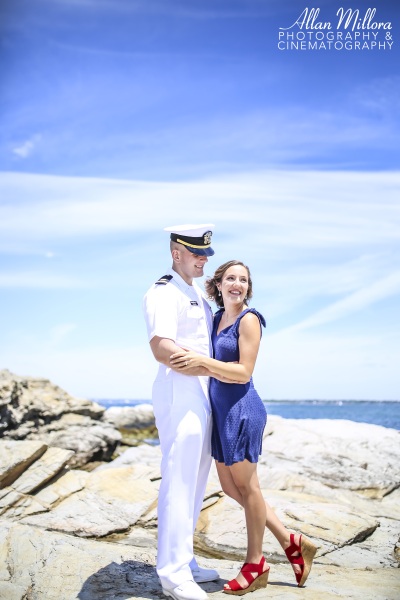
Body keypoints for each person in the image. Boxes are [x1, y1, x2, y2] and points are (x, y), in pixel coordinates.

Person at [170, 260, 317, 595]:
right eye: (231, 279)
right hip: (220, 413)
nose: (237, 284)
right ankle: (290, 540)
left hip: (243, 411)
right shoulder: (218, 317)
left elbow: (244, 372)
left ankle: (255, 564)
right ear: (218, 284)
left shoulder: (250, 319)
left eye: (243, 280)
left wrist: (203, 364)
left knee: (249, 489)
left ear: (248, 288)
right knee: (231, 488)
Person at [143, 224, 222, 600]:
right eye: (197, 253)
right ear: (177, 254)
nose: (205, 258)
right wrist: (211, 367)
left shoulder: (195, 294)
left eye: (207, 252)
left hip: (201, 390)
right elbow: (163, 349)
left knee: (196, 478)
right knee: (178, 478)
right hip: (179, 389)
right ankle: (172, 575)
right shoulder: (163, 292)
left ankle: (184, 560)